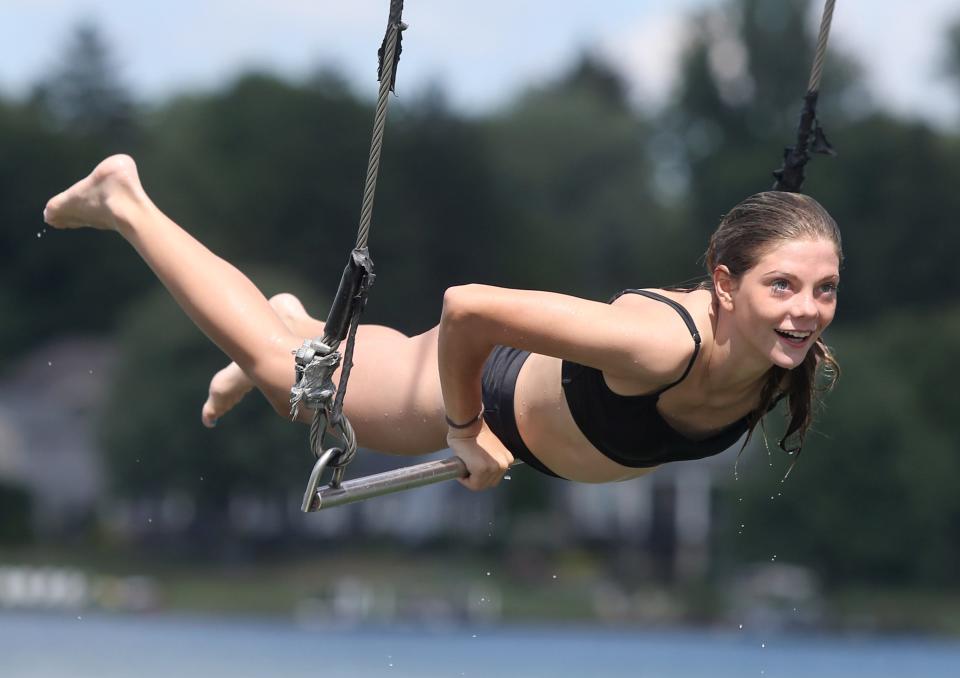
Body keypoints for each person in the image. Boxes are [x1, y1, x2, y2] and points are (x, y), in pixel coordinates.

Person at [43, 154, 842, 491]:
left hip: (509, 397)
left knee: (288, 344)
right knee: (288, 375)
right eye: (783, 286)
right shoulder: (662, 343)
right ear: (725, 284)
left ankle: (297, 321)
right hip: (460, 385)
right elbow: (467, 307)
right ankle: (125, 201)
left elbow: (791, 302)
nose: (807, 310)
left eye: (824, 289)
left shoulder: (786, 344)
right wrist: (463, 426)